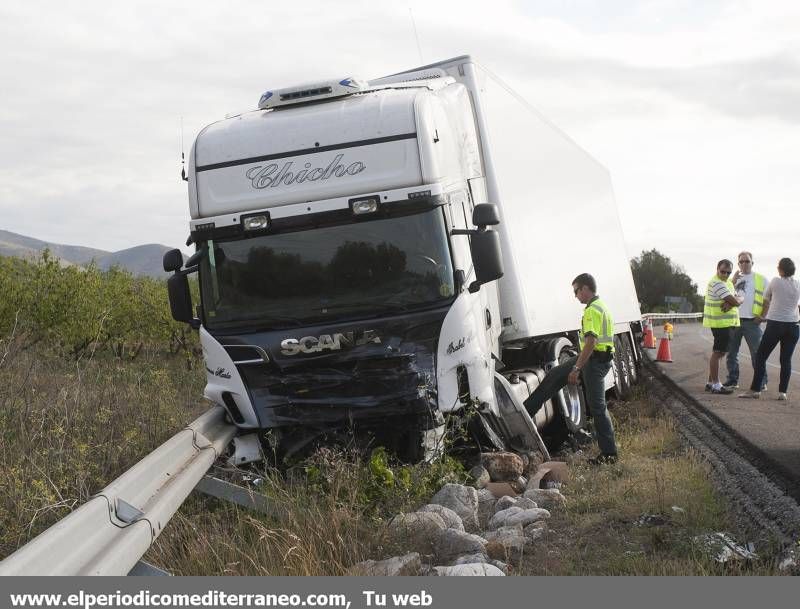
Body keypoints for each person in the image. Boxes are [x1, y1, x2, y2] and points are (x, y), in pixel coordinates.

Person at [523, 273, 618, 464]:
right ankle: (525, 413)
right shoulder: (601, 306)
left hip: (594, 362)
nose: (575, 296)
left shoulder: (592, 311)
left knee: (598, 408)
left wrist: (576, 368)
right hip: (595, 359)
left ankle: (609, 454)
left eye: (576, 291)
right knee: (555, 374)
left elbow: (591, 342)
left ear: (585, 289)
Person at [739, 258, 800, 400]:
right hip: (794, 326)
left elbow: (766, 298)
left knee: (761, 356)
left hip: (776, 325)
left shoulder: (775, 281)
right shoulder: (798, 284)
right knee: (786, 360)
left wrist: (764, 316)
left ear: (781, 270)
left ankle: (755, 390)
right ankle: (782, 392)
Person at [723, 252, 767, 390]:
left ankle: (762, 381)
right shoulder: (732, 280)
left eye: (747, 261)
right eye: (741, 262)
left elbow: (768, 299)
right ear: (738, 264)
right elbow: (723, 295)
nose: (744, 264)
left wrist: (762, 316)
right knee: (731, 353)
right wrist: (732, 281)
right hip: (733, 320)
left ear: (752, 263)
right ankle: (732, 380)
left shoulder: (761, 279)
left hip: (752, 322)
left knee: (757, 353)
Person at [703, 260, 742, 394]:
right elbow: (736, 300)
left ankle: (710, 383)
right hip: (721, 324)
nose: (725, 274)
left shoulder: (727, 282)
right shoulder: (717, 283)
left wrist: (734, 302)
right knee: (718, 352)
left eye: (728, 272)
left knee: (720, 353)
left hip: (726, 324)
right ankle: (716, 385)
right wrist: (735, 301)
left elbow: (738, 299)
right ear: (717, 269)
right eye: (723, 271)